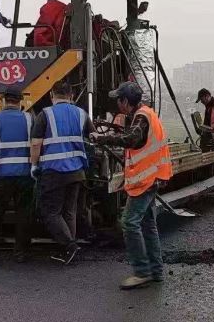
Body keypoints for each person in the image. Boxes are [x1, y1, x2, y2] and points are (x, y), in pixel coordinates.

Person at [90, 82, 174, 290]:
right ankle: (155, 271)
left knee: (129, 222)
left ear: (125, 101)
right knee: (148, 225)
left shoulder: (141, 117)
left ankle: (141, 271)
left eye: (118, 100)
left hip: (144, 180)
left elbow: (132, 138)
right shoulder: (148, 114)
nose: (117, 104)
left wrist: (103, 138)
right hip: (152, 176)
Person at [30, 79, 91, 265]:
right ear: (71, 95)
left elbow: (36, 143)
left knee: (50, 212)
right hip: (77, 171)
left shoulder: (45, 114)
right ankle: (68, 252)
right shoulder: (81, 114)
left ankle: (70, 247)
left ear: (51, 95)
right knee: (69, 212)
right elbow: (93, 137)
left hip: (54, 171)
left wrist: (34, 165)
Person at [0, 89, 35, 264]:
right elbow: (36, 144)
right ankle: (21, 253)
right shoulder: (29, 119)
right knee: (24, 213)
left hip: (1, 174)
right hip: (25, 174)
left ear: (3, 101)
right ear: (20, 102)